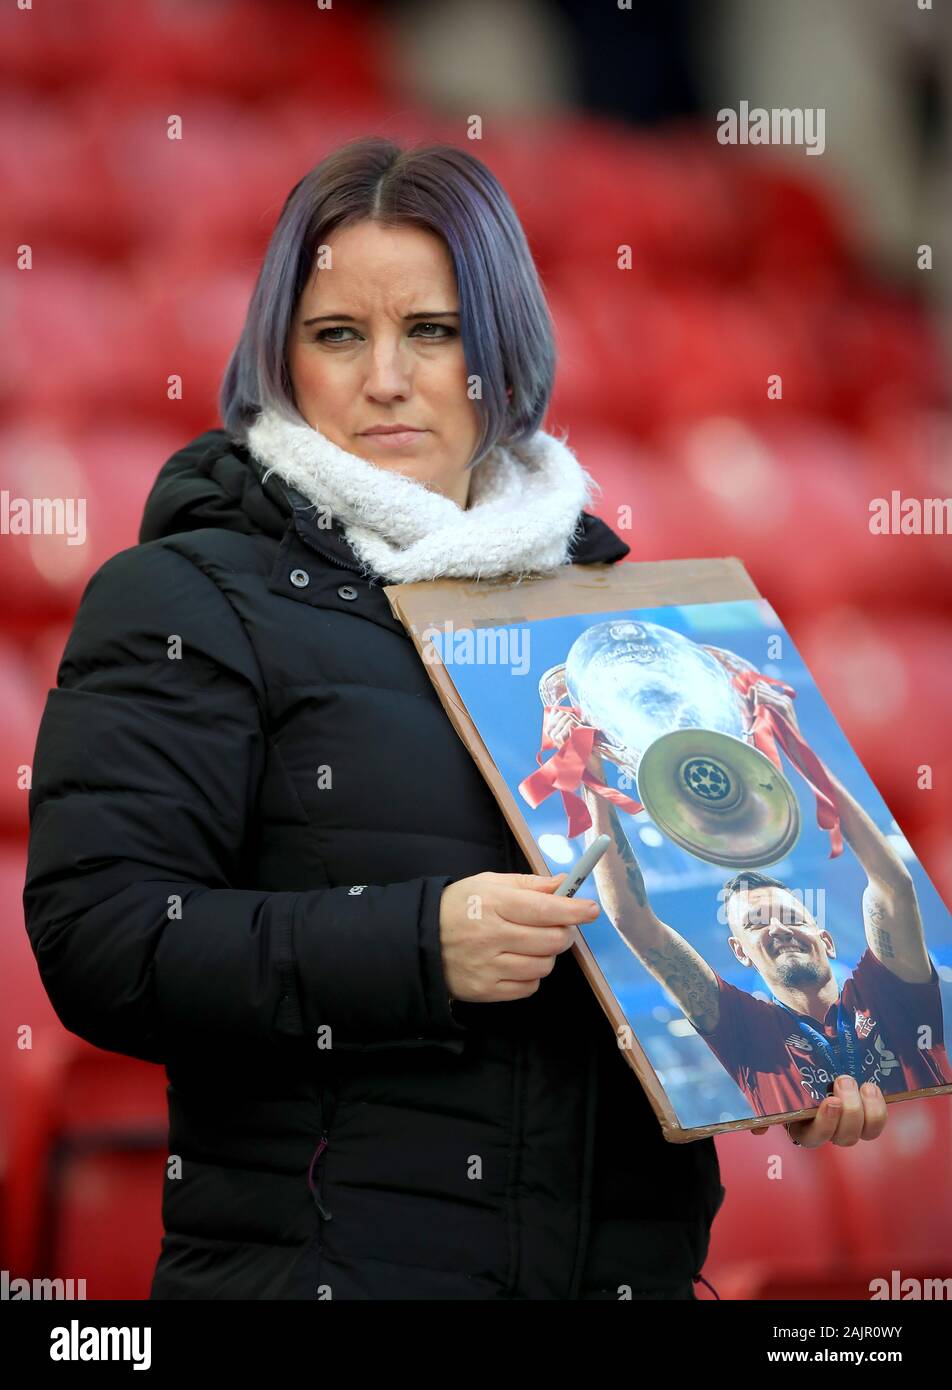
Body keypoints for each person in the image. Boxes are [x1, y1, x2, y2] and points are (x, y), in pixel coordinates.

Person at [24, 136, 726, 1302]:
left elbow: (697, 948)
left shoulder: (622, 619)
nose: (387, 379)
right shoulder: (189, 594)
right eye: (338, 334)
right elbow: (104, 940)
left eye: (435, 332)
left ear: (501, 353)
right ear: (281, 357)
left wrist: (790, 1067)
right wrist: (415, 947)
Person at [548, 677, 946, 1138]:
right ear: (740, 952)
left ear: (826, 937)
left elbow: (893, 884)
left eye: (792, 915)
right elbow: (634, 922)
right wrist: (593, 781)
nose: (777, 927)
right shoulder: (743, 1028)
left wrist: (799, 753)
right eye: (756, 923)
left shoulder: (889, 990)